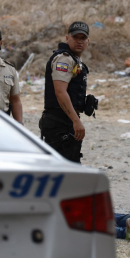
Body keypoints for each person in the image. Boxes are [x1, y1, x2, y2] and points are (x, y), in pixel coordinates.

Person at [39, 21, 97, 163]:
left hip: (64, 121)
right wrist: (76, 121)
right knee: (64, 170)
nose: (79, 41)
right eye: (75, 37)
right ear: (67, 38)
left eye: (82, 38)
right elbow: (60, 92)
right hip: (58, 122)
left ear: (87, 41)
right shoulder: (64, 59)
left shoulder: (74, 59)